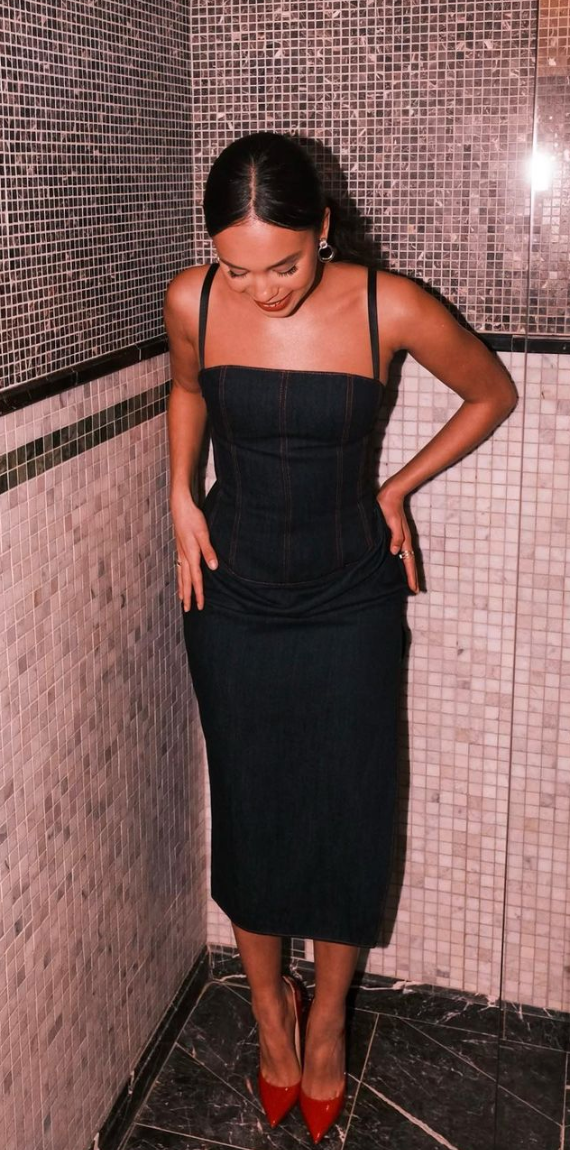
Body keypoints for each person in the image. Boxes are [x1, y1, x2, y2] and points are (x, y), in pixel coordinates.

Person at [163, 131, 516, 1142]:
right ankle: (268, 1013)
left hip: (351, 596)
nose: (259, 290)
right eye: (237, 269)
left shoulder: (385, 305)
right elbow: (188, 388)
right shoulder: (192, 300)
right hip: (230, 591)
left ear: (322, 230)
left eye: (281, 265)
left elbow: (490, 392)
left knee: (347, 806)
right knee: (252, 802)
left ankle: (326, 1021)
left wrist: (397, 487)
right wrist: (179, 493)